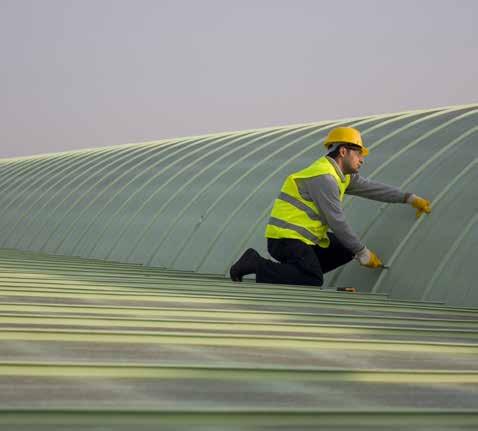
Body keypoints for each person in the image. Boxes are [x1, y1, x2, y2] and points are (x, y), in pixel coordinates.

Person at [229, 126, 431, 286]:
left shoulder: (341, 175)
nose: (362, 159)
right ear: (343, 151)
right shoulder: (324, 178)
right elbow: (337, 221)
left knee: (345, 248)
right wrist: (362, 252)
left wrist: (408, 198)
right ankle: (256, 263)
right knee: (312, 279)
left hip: (307, 239)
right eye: (359, 153)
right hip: (286, 239)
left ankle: (293, 272)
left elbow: (373, 189)